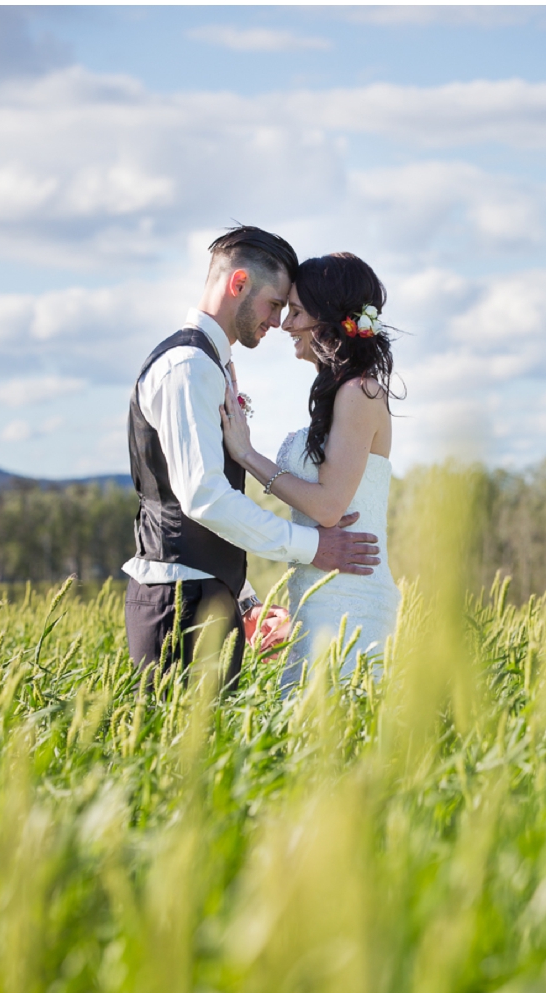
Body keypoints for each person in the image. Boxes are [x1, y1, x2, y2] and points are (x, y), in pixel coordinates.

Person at [122, 226, 381, 686]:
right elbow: (203, 496)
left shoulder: (211, 366)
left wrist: (242, 597)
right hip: (179, 602)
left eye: (289, 309)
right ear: (238, 284)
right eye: (276, 304)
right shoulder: (187, 367)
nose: (278, 321)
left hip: (206, 596)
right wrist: (314, 548)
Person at [220, 251, 401, 685]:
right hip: (316, 596)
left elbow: (328, 509)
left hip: (347, 600)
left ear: (331, 320)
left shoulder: (360, 393)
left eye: (297, 312)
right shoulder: (343, 392)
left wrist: (248, 455)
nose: (285, 325)